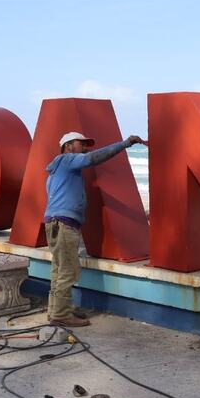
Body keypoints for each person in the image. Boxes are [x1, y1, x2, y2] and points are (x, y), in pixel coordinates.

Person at [44, 131, 145, 327]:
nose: (84, 147)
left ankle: (57, 309)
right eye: (80, 143)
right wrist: (125, 143)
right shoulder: (67, 159)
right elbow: (94, 158)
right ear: (68, 146)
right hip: (64, 224)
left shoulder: (55, 172)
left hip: (54, 222)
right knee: (68, 270)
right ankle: (61, 314)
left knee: (59, 269)